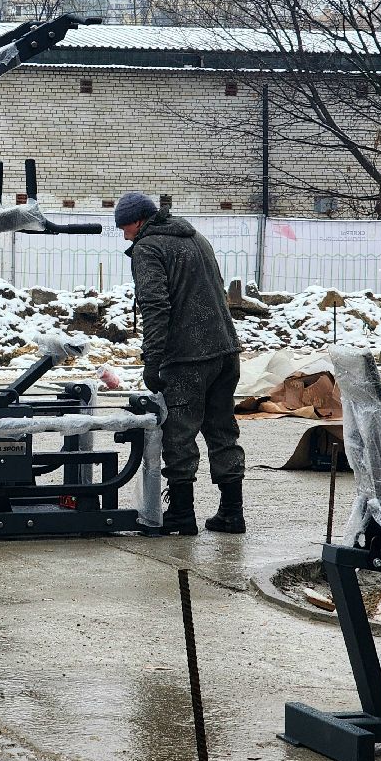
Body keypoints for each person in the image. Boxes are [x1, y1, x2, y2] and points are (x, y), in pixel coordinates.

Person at [116, 192, 245, 536]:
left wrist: (153, 360)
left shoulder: (148, 249)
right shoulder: (196, 238)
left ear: (139, 221)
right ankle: (232, 512)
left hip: (188, 357)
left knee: (178, 435)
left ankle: (182, 515)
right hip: (224, 350)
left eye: (125, 227)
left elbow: (155, 307)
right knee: (222, 430)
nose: (124, 235)